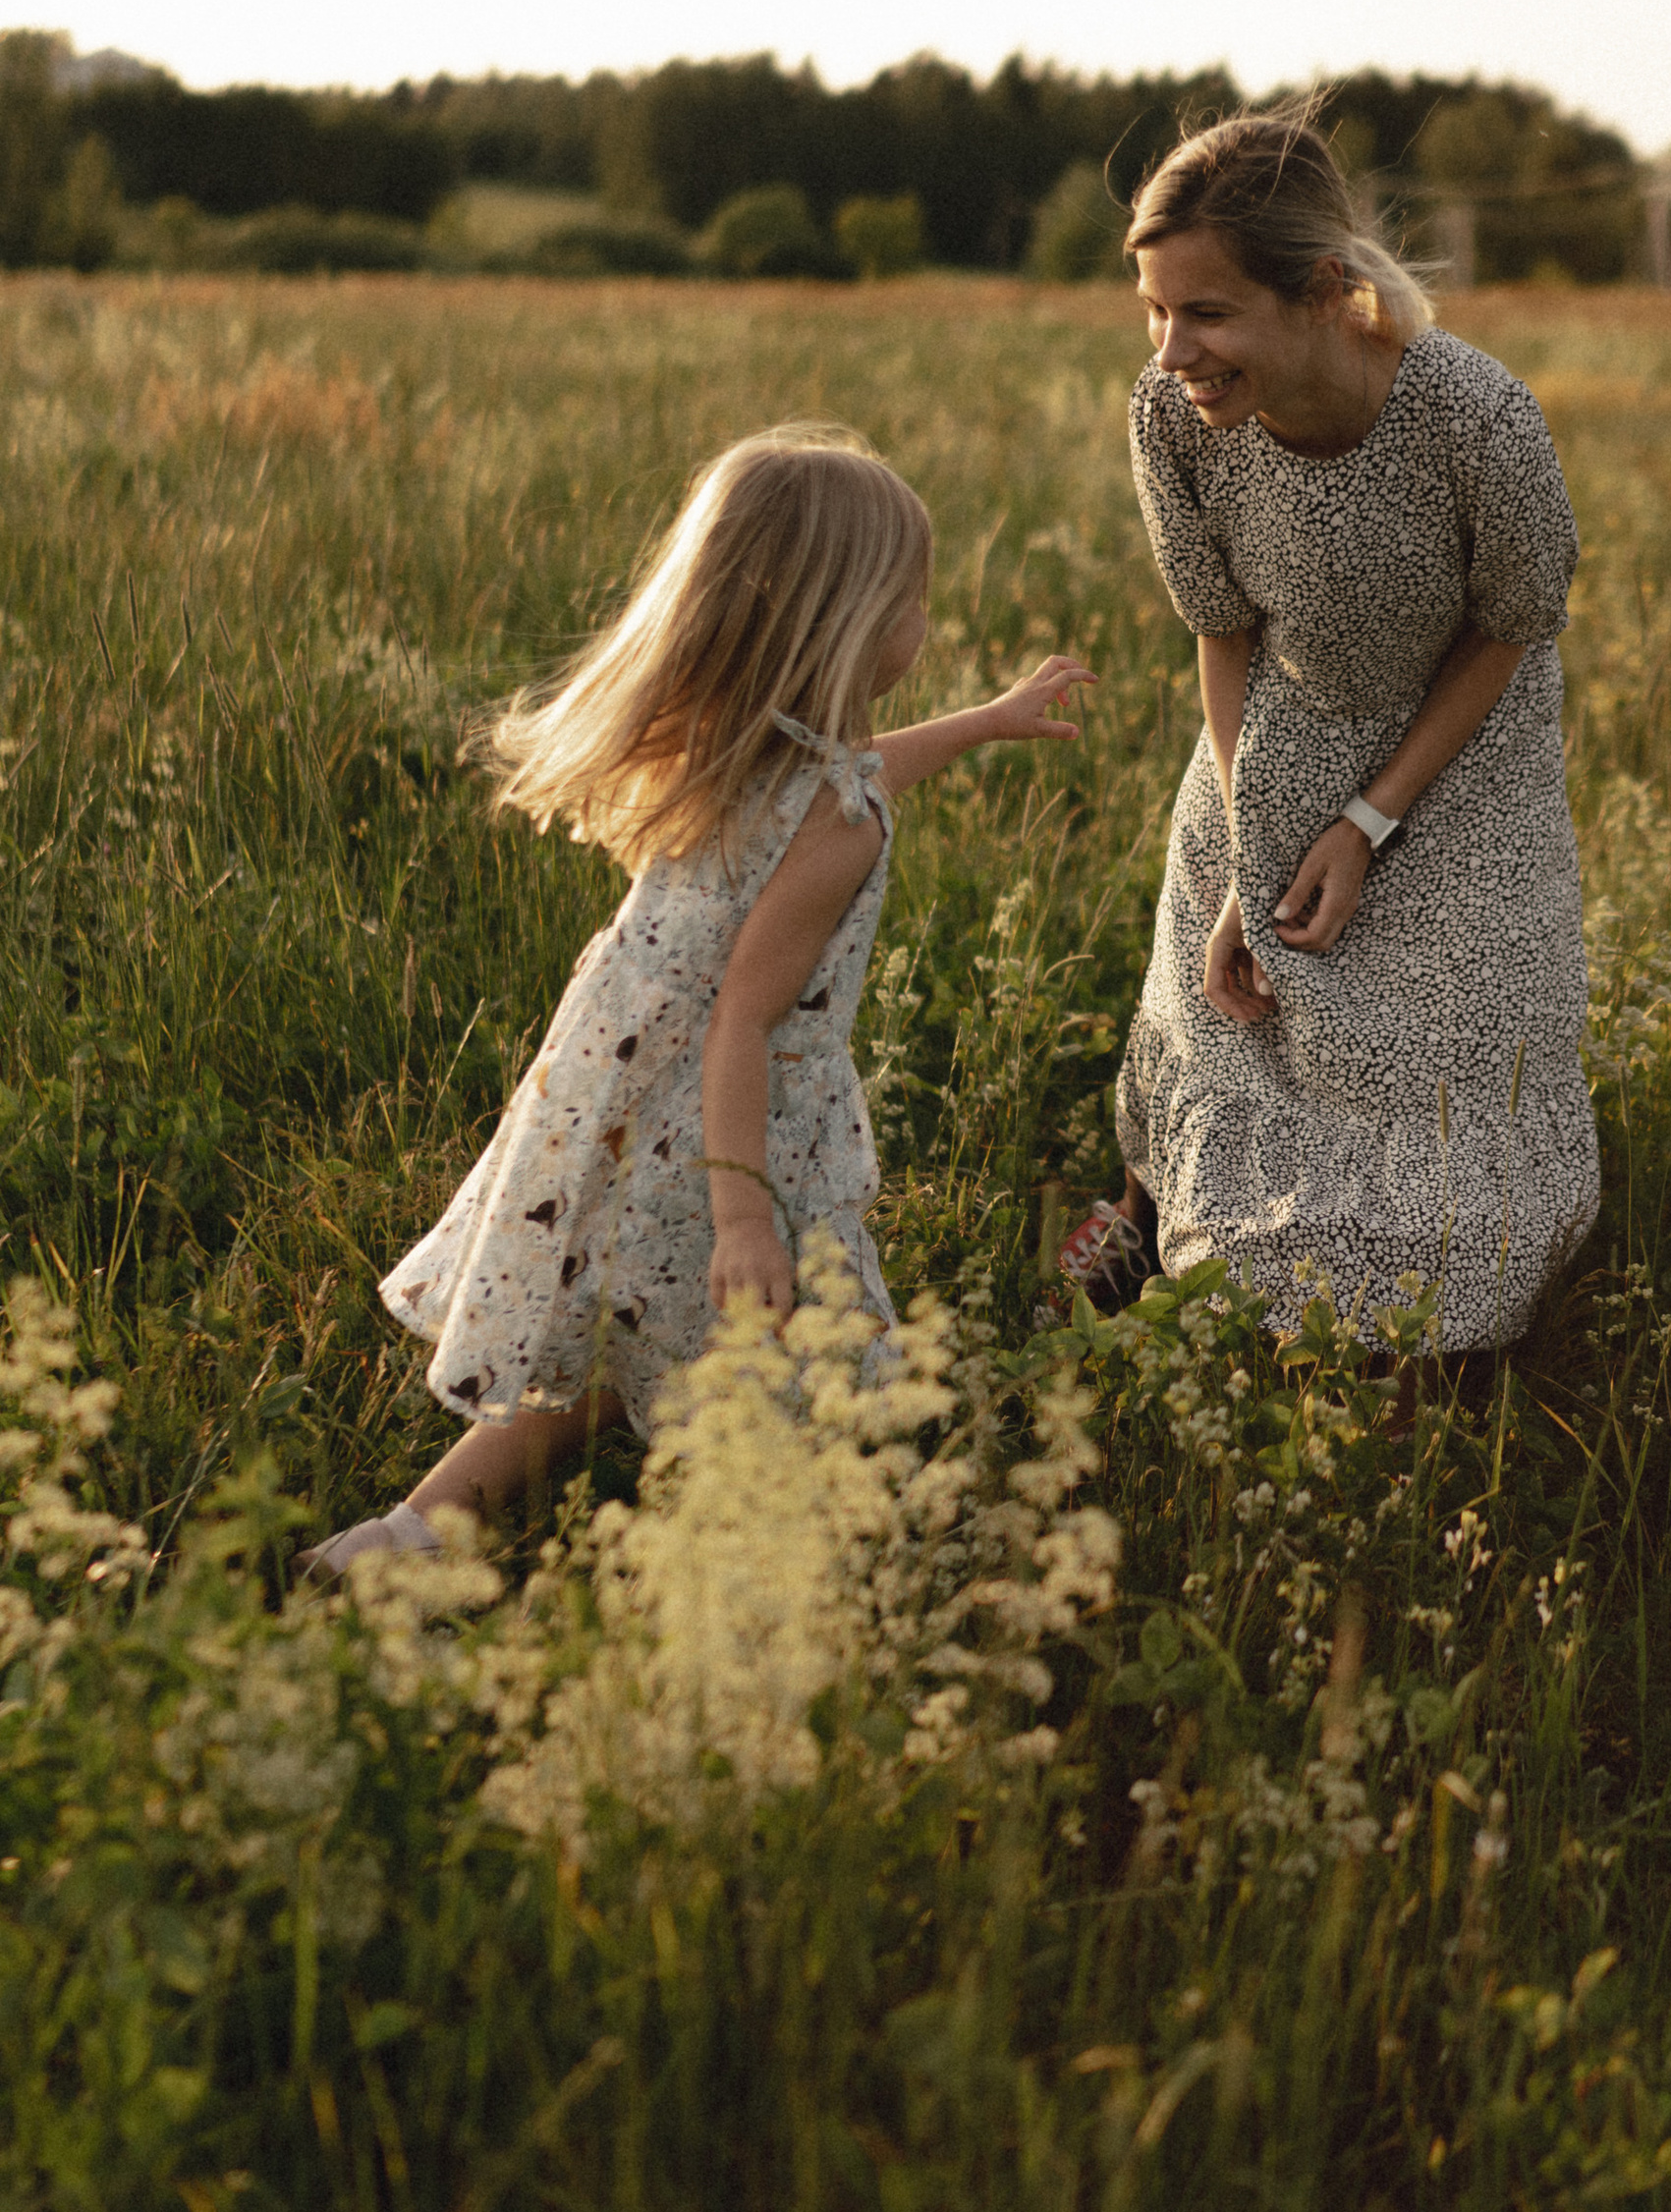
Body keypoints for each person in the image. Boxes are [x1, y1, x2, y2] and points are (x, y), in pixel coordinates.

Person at [304, 424, 1093, 1576]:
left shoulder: (731, 748)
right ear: (851, 623)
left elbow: (854, 776)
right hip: (734, 1134)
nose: (925, 623)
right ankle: (805, 1558)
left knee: (609, 1342)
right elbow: (744, 1018)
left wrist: (981, 723)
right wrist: (741, 1216)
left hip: (622, 1107)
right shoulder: (838, 821)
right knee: (810, 1355)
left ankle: (405, 1538)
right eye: (913, 600)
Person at [1062, 109, 1598, 1354]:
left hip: (1464, 749)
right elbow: (1221, 627)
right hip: (1269, 728)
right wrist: (1257, 845)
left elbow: (1514, 626)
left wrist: (1366, 823)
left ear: (1318, 293)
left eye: (1204, 313)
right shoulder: (1169, 418)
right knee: (1215, 995)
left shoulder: (1478, 418)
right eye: (1152, 309)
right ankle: (1153, 1228)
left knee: (1448, 1047)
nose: (1170, 349)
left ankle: (1428, 1323)